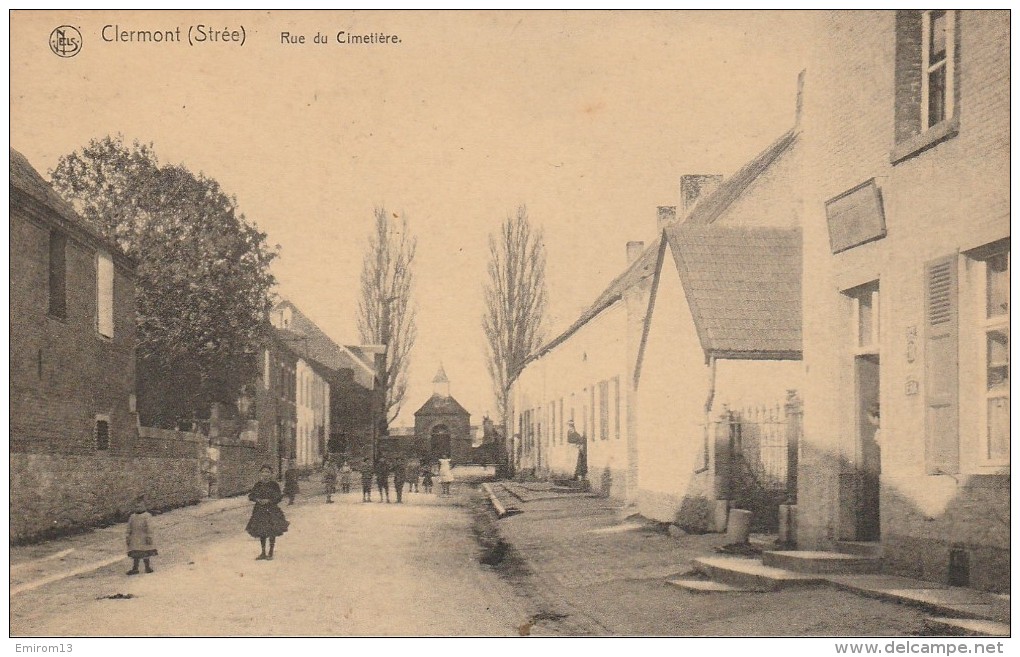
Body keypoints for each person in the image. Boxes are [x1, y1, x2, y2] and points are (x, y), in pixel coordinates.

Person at [246, 465, 289, 560]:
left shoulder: (274, 485)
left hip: (271, 510)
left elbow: (279, 497)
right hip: (259, 510)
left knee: (271, 530)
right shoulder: (258, 484)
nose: (265, 474)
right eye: (263, 472)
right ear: (260, 473)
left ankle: (270, 552)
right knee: (261, 531)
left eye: (267, 472)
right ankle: (263, 552)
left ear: (271, 474)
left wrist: (269, 501)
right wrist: (257, 499)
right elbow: (251, 496)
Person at [125, 496, 157, 575]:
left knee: (145, 553)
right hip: (135, 538)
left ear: (144, 507)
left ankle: (147, 567)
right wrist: (128, 536)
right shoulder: (132, 517)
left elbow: (150, 527)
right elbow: (129, 527)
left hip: (144, 537)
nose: (138, 508)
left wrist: (149, 536)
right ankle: (135, 568)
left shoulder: (147, 516)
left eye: (140, 506)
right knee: (136, 554)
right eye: (136, 507)